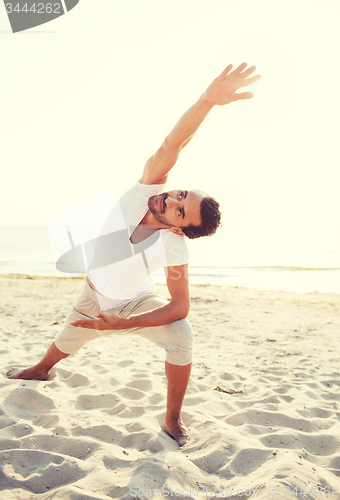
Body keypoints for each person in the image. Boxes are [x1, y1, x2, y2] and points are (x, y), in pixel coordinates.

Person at [7, 63, 261, 446]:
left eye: (180, 209)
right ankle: (42, 370)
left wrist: (123, 324)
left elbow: (180, 306)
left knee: (182, 337)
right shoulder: (145, 189)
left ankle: (172, 419)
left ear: (179, 228)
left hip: (135, 301)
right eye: (181, 194)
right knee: (68, 338)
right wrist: (207, 100)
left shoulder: (174, 246)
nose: (172, 198)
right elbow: (172, 145)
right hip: (94, 290)